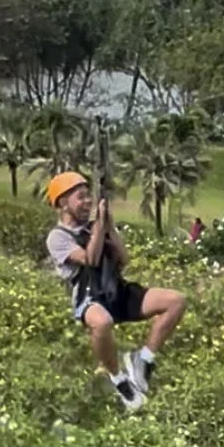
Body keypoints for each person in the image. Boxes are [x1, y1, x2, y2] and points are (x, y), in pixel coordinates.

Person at [45, 171, 186, 412]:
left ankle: (143, 359)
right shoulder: (58, 237)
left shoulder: (95, 227)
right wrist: (99, 228)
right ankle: (117, 378)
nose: (87, 202)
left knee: (176, 301)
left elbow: (123, 259)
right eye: (81, 198)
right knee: (101, 323)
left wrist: (108, 227)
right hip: (90, 297)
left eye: (89, 197)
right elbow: (89, 259)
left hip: (116, 290)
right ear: (62, 203)